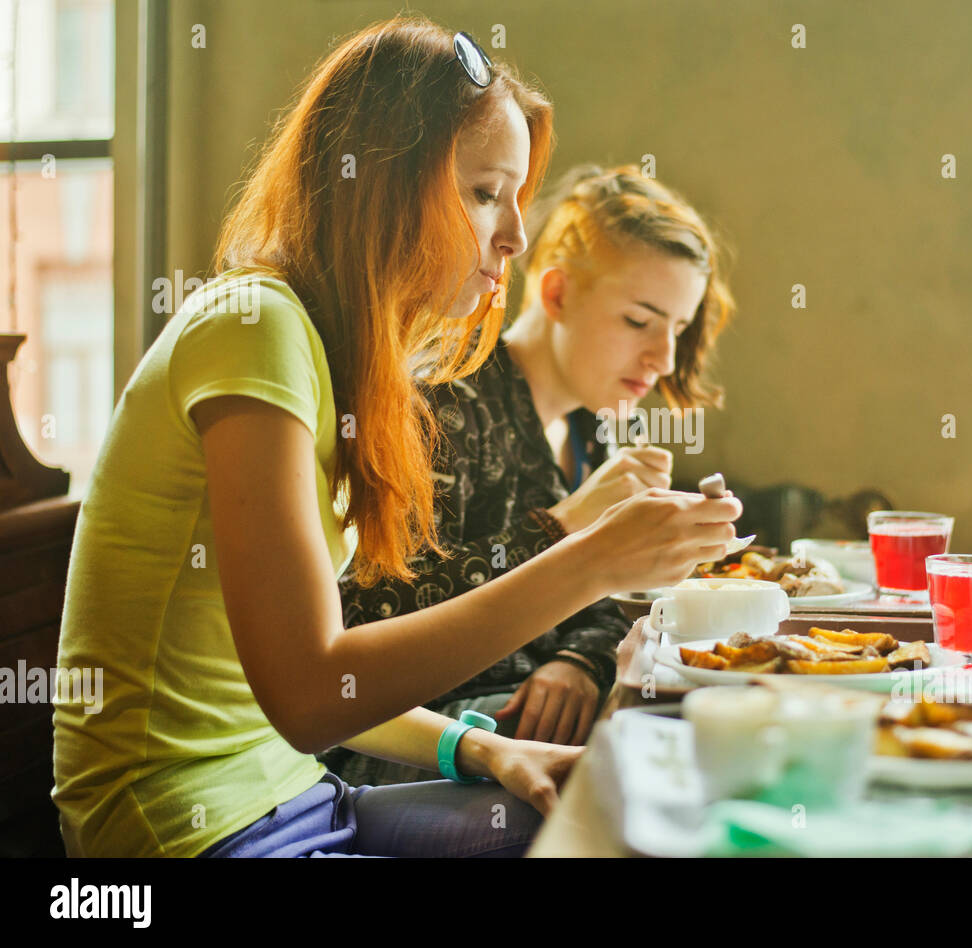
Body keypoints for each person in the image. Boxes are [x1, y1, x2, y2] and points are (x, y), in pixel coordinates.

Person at [51, 17, 741, 858]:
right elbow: (310, 692)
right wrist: (587, 556)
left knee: (632, 818)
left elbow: (324, 675)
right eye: (486, 193)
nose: (515, 237)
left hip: (301, 793)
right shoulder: (253, 328)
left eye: (517, 198)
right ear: (380, 183)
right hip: (193, 826)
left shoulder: (338, 354)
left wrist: (479, 746)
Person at [325, 166, 733, 786]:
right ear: (558, 295)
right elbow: (369, 620)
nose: (665, 358)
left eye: (676, 328)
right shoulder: (442, 401)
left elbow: (608, 603)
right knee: (687, 747)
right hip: (418, 736)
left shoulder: (590, 426)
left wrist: (580, 660)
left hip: (535, 710)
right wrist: (562, 525)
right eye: (638, 320)